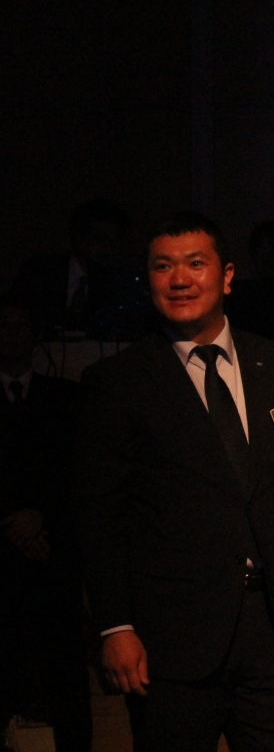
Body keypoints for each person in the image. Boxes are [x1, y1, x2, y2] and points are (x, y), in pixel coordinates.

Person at [72, 211, 274, 752]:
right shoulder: (118, 382)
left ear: (226, 277)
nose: (179, 279)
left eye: (195, 264)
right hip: (170, 644)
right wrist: (114, 626)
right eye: (163, 267)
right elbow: (100, 516)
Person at [0, 295, 92, 751]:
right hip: (3, 553)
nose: (12, 334)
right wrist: (11, 522)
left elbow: (78, 474)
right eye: (5, 325)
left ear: (35, 336)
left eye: (21, 326)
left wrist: (41, 517)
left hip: (53, 552)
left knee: (66, 674)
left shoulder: (65, 398)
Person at [11, 197, 147, 338]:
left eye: (113, 241)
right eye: (99, 239)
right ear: (79, 237)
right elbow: (16, 311)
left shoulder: (117, 278)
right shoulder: (41, 270)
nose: (107, 249)